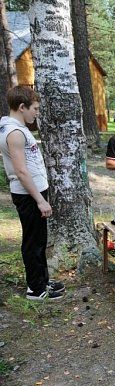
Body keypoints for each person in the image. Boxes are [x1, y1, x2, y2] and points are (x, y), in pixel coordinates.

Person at [0, 86, 65, 300]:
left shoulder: (15, 127)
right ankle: (36, 290)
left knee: (39, 239)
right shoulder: (15, 132)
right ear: (21, 107)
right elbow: (20, 171)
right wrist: (40, 200)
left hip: (34, 193)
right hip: (29, 196)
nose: (37, 113)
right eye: (35, 108)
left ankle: (42, 281)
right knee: (33, 242)